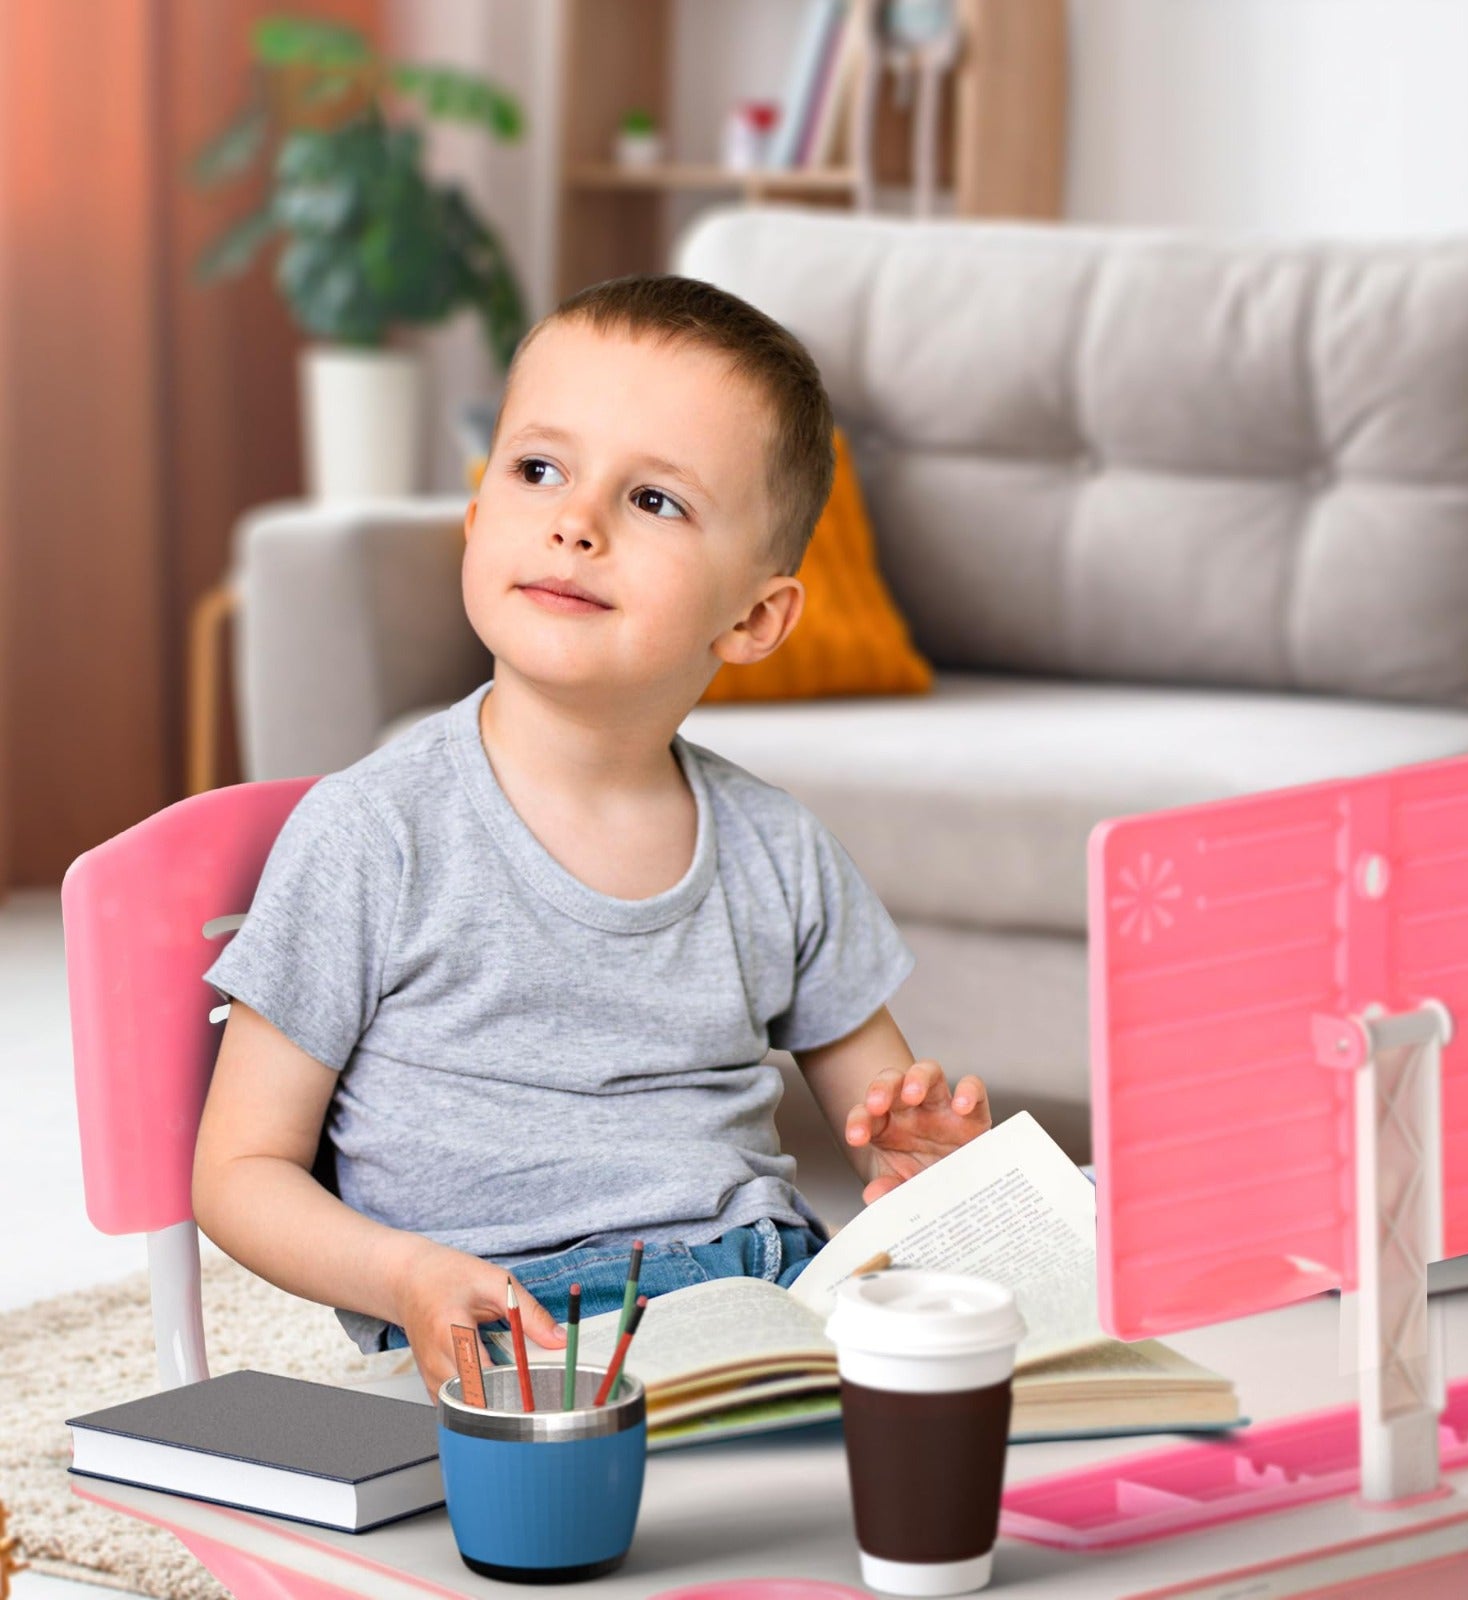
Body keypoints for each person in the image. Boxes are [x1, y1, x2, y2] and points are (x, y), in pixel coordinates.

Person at [191, 274, 991, 1403]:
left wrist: (921, 1165)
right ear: (477, 522)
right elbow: (238, 1172)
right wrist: (404, 1275)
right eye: (538, 470)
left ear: (754, 618)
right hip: (500, 1329)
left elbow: (884, 1130)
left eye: (654, 500)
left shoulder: (778, 850)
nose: (576, 520)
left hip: (763, 1296)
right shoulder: (373, 832)